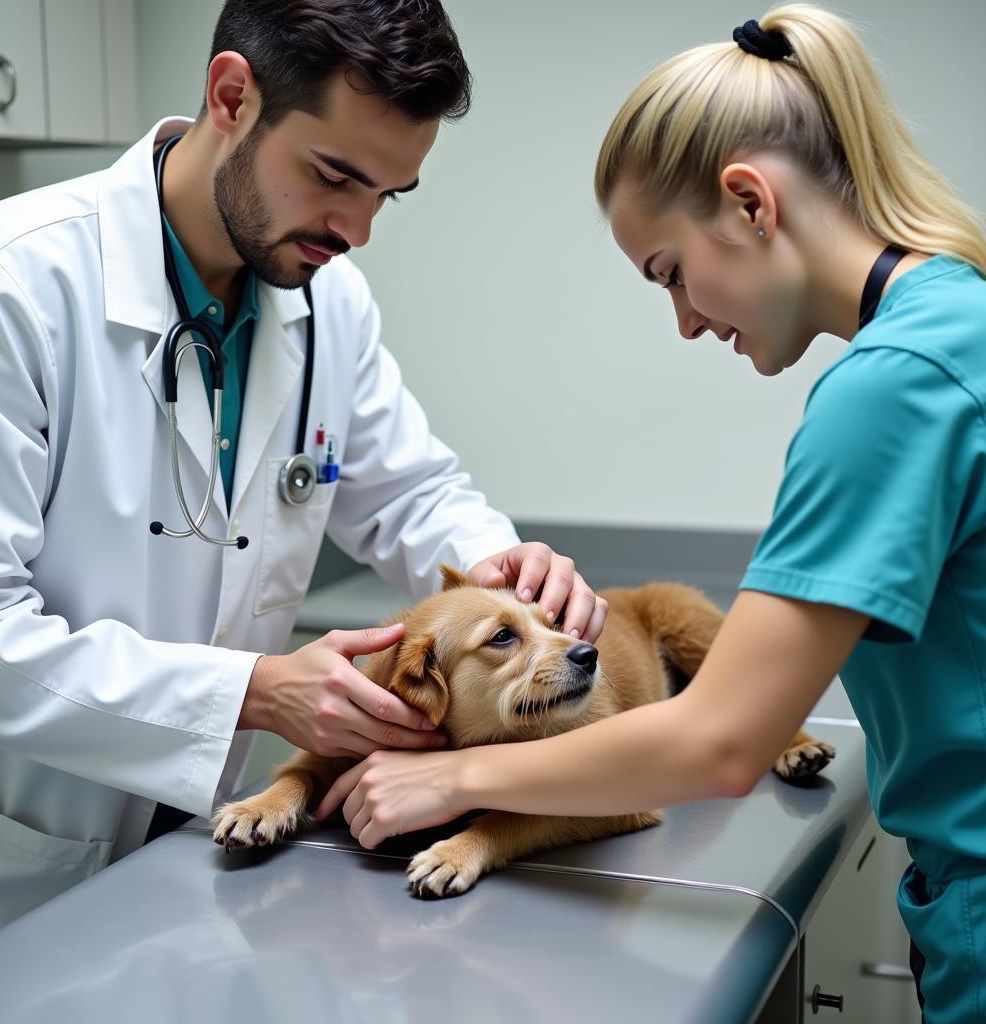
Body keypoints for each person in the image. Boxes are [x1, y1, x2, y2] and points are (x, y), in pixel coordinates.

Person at [317, 6, 986, 1020]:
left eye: (670, 272)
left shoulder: (891, 386)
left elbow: (721, 742)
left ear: (749, 201)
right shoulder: (958, 316)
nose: (682, 322)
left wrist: (450, 785)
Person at [0, 0, 607, 949]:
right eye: (335, 176)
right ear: (233, 96)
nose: (357, 228)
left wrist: (504, 567)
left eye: (389, 193)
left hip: (194, 856)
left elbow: (410, 492)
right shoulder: (7, 285)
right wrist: (251, 692)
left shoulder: (325, 300)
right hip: (17, 864)